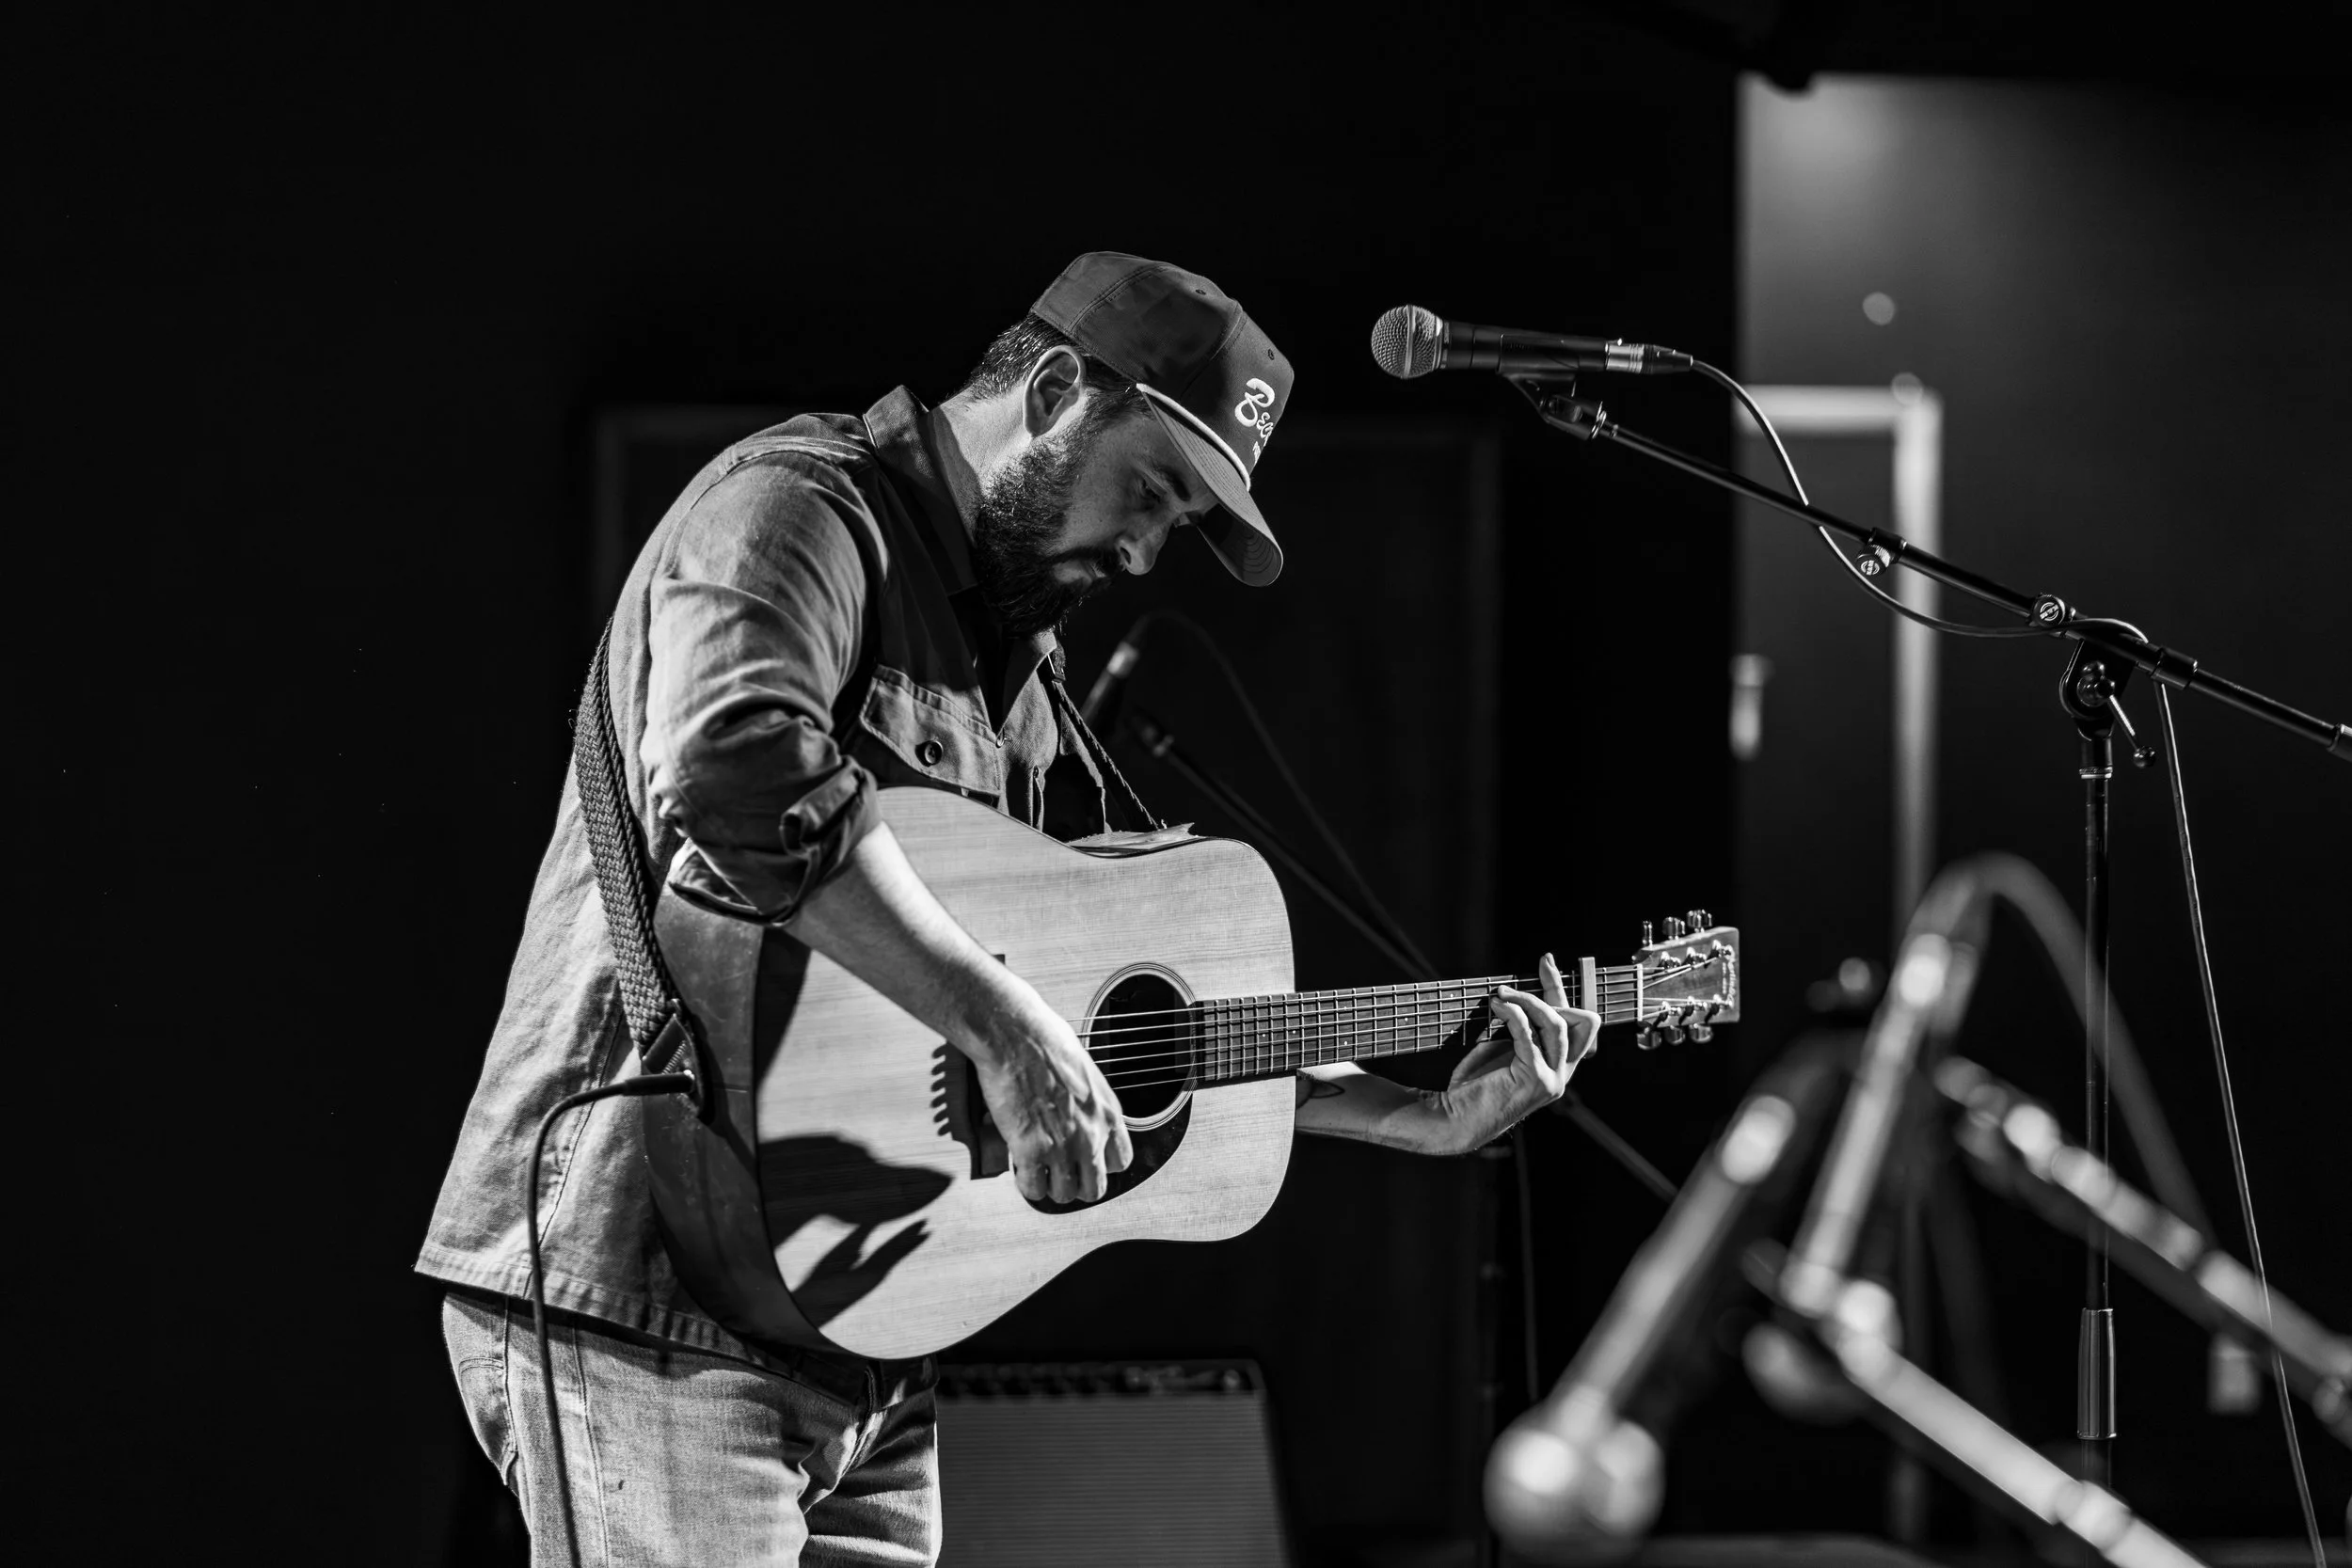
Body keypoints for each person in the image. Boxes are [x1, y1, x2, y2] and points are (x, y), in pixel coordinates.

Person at [418, 252, 1598, 1566]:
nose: (1150, 551)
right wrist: (1007, 1031)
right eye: (1152, 488)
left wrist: (1413, 1114)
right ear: (1049, 389)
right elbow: (736, 772)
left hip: (862, 1325)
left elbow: (1128, 1018)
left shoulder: (1013, 669)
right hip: (654, 1291)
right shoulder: (798, 508)